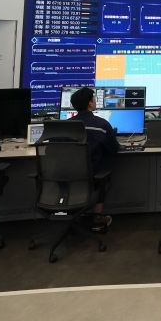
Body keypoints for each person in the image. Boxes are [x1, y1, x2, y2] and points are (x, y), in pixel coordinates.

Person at [69, 86, 120, 232]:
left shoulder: (65, 126)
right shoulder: (102, 124)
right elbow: (113, 149)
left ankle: (73, 216)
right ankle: (97, 219)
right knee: (104, 173)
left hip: (64, 177)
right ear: (90, 103)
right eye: (94, 99)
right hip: (91, 177)